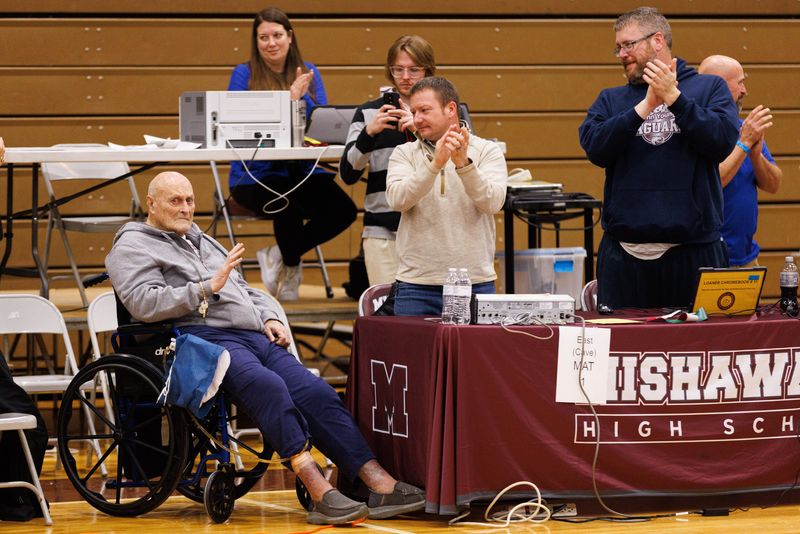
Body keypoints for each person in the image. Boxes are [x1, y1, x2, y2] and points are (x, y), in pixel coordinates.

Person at [105, 172, 424, 525]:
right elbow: (142, 303)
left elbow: (245, 290)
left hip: (252, 335)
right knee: (268, 388)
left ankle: (374, 480)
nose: (185, 209)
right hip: (199, 340)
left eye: (189, 200)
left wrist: (269, 316)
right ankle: (318, 489)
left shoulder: (203, 241)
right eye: (174, 201)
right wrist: (204, 288)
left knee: (316, 391)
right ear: (151, 204)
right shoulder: (133, 245)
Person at [578, 6, 740, 309]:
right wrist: (645, 107)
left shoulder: (709, 88)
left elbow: (720, 142)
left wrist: (674, 99)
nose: (622, 54)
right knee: (624, 349)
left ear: (657, 41)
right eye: (618, 48)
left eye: (628, 44)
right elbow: (595, 148)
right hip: (624, 253)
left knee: (693, 348)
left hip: (693, 251)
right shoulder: (610, 99)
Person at [227, 7, 357, 301]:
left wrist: (301, 102)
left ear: (289, 37)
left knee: (344, 210)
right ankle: (291, 272)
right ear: (256, 41)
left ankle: (282, 255)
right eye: (263, 37)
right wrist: (290, 99)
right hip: (253, 176)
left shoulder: (308, 70)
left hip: (302, 170)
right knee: (288, 202)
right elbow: (239, 121)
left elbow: (321, 121)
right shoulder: (244, 73)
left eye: (276, 35)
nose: (270, 42)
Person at [385, 76, 507, 316]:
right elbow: (397, 200)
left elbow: (493, 202)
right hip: (415, 286)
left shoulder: (486, 151)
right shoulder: (404, 153)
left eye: (425, 110)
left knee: (473, 355)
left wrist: (464, 165)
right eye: (414, 111)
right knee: (412, 355)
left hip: (475, 283)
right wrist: (435, 164)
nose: (416, 119)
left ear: (450, 109)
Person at [339, 35, 436, 286]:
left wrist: (419, 129)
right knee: (386, 317)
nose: (405, 77)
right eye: (398, 69)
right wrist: (368, 134)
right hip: (382, 233)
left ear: (427, 70)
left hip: (431, 232)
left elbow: (455, 164)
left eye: (414, 69)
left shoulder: (443, 111)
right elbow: (348, 174)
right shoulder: (369, 112)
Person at [697, 55, 783, 267]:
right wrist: (744, 145)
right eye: (740, 82)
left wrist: (755, 156)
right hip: (707, 258)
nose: (745, 90)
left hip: (745, 257)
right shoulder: (694, 129)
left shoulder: (744, 127)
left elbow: (773, 185)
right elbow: (714, 182)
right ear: (718, 85)